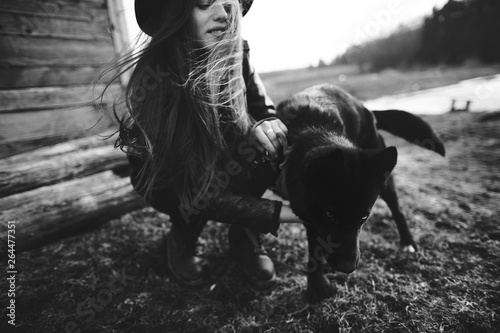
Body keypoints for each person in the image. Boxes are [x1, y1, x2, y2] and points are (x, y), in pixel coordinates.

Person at [103, 0, 300, 288]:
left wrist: (266, 126)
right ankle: (183, 235)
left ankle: (245, 235)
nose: (222, 14)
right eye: (205, 3)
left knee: (267, 145)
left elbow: (262, 107)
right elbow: (195, 192)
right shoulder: (156, 77)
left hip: (222, 162)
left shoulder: (237, 52)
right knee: (188, 201)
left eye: (226, 3)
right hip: (169, 182)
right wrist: (285, 214)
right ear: (176, 13)